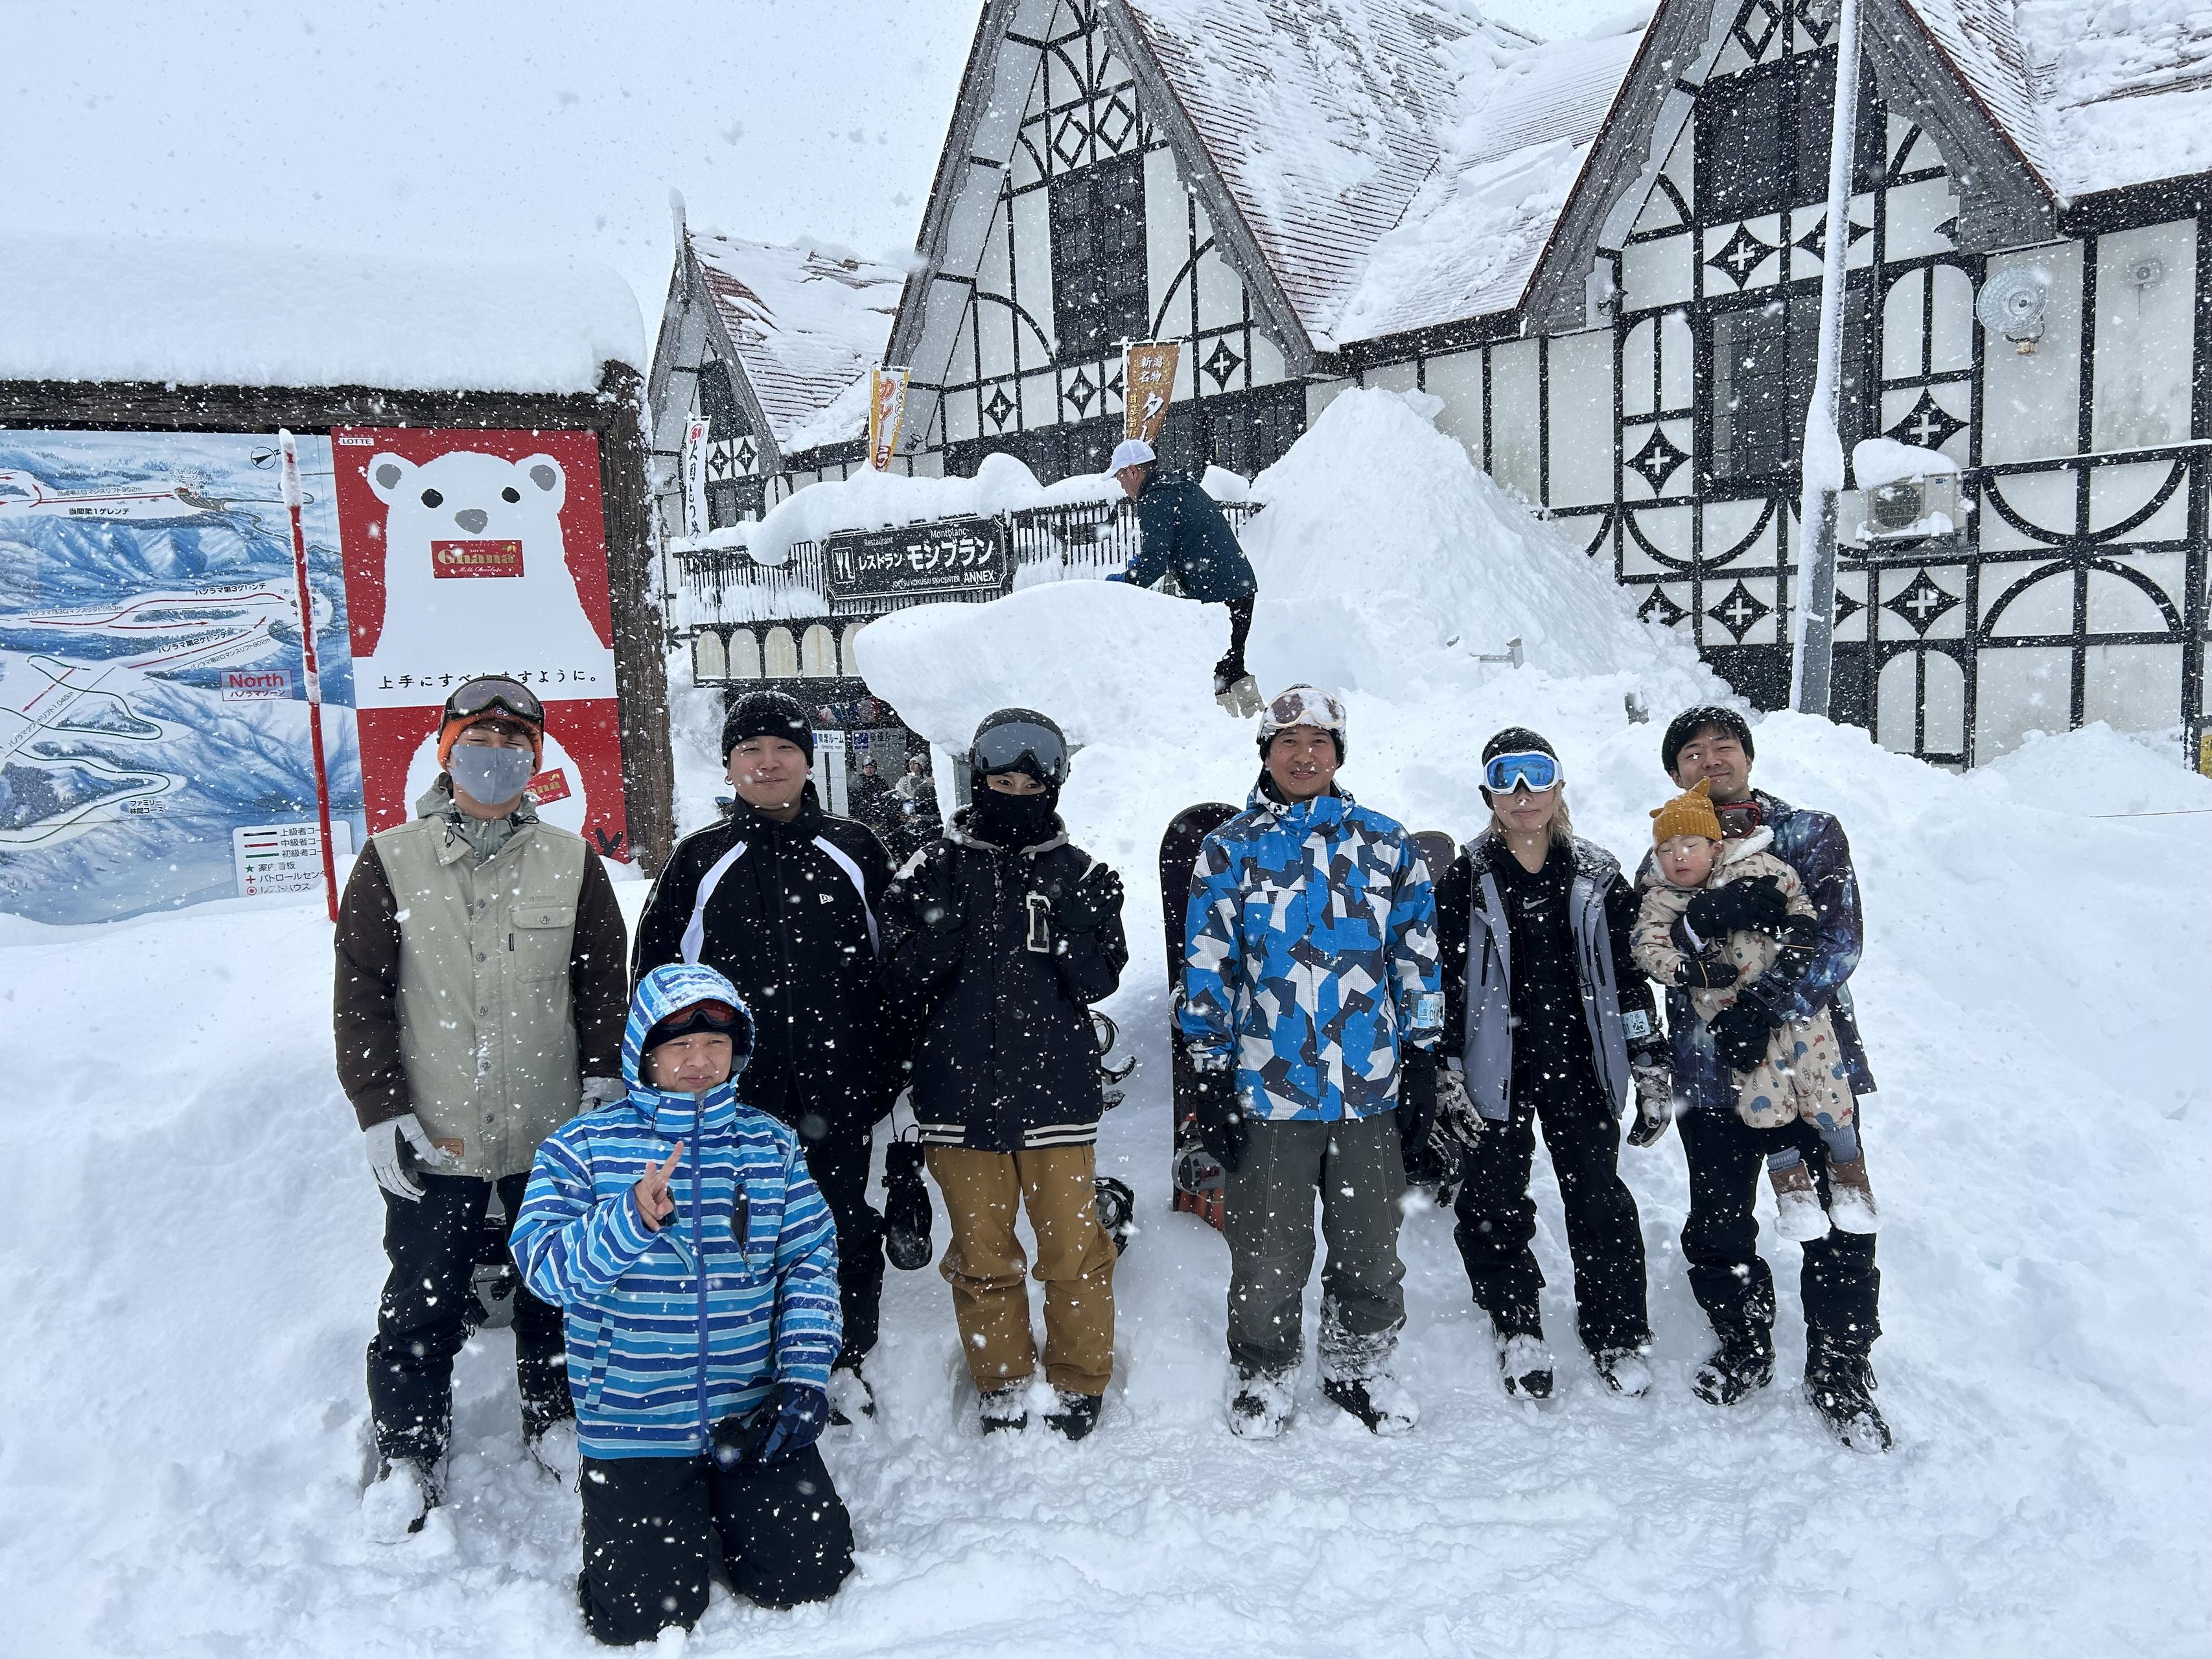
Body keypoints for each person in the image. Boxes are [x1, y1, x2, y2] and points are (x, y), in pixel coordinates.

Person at [334, 674, 629, 1538]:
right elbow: (361, 991)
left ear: (534, 762)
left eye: (512, 745)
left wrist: (604, 1078)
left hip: (552, 1130)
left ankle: (557, 1416)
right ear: (445, 752)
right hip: (438, 1128)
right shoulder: (391, 859)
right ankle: (408, 1449)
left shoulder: (571, 861)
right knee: (421, 1297)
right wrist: (379, 1106)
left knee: (556, 1288)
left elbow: (600, 983)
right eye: (477, 742)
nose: (494, 758)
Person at [511, 964, 853, 1645]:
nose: (700, 1061)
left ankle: (723, 1509)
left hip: (750, 1412)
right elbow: (545, 1271)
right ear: (645, 1053)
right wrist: (628, 1219)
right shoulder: (580, 1148)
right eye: (680, 1045)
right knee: (641, 1620)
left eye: (716, 1044)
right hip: (635, 1422)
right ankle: (670, 1517)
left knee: (808, 1577)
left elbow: (809, 1261)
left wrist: (803, 1376)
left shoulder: (769, 1144)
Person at [631, 689, 900, 1423]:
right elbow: (656, 980)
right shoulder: (700, 859)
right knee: (738, 1228)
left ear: (808, 761)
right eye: (750, 749)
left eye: (784, 748)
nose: (768, 762)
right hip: (732, 1096)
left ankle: (841, 1358)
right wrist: (660, 1079)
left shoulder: (855, 849)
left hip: (839, 1084)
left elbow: (900, 969)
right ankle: (747, 1361)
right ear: (728, 766)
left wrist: (892, 1067)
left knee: (840, 1220)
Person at [1180, 686, 1441, 1439]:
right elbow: (1207, 967)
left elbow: (1417, 959)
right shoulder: (1229, 850)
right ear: (1265, 752)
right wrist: (1210, 1075)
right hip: (1268, 1091)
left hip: (1368, 1090)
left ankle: (1358, 1366)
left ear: (1338, 753)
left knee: (1370, 1249)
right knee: (1267, 1254)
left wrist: (1422, 1060)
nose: (1303, 754)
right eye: (1287, 740)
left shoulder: (1385, 844)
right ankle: (1262, 1370)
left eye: (1318, 741)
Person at [879, 708, 1128, 1439]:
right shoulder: (931, 866)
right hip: (958, 1096)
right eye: (1001, 782)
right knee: (982, 1255)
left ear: (1053, 786)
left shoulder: (1077, 871)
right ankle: (1002, 1380)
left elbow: (1096, 982)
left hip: (1056, 1096)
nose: (1015, 795)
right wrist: (939, 934)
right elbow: (897, 982)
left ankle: (1079, 1376)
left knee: (1073, 1252)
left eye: (1030, 783)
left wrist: (1078, 929)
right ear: (978, 780)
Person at [1649, 706, 1888, 1452]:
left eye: (1722, 745)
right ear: (1675, 772)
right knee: (1717, 1224)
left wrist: (1762, 1007)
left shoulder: (1807, 833)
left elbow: (1837, 940)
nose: (1709, 759)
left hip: (1806, 1063)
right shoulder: (1667, 848)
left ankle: (1840, 1365)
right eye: (1691, 752)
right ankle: (1743, 1340)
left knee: (1840, 1217)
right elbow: (1649, 942)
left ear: (1747, 757)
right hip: (1709, 1072)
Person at [1434, 728, 1667, 1404]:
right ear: (1486, 794)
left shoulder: (1596, 874)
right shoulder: (1466, 878)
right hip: (1494, 1065)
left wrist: (1648, 1057)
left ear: (1559, 784)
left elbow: (1628, 977)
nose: (1521, 794)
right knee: (1493, 1199)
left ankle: (1616, 1331)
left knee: (1597, 1196)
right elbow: (1442, 981)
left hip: (1579, 1060)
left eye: (1535, 775)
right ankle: (1516, 1325)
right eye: (1504, 779)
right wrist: (1446, 1066)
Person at [1630, 778, 1877, 1242]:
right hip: (1724, 1032)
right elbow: (1644, 946)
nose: (1677, 857)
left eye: (1690, 845)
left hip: (1798, 1013)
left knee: (1825, 1086)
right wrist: (1692, 950)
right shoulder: (1660, 888)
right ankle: (1793, 1194)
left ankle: (1849, 1178)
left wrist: (1797, 936)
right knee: (1763, 1102)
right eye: (1666, 849)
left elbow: (1826, 925)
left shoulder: (1774, 852)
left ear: (1715, 845)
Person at [1104, 437, 1261, 715]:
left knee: (1215, 669)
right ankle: (1252, 719)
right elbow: (1172, 544)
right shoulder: (1180, 485)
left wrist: (1121, 583)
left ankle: (1228, 725)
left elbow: (1154, 564)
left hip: (1217, 592)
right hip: (1239, 584)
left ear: (1133, 471)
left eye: (1120, 477)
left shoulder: (1156, 498)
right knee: (1232, 664)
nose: (1122, 486)